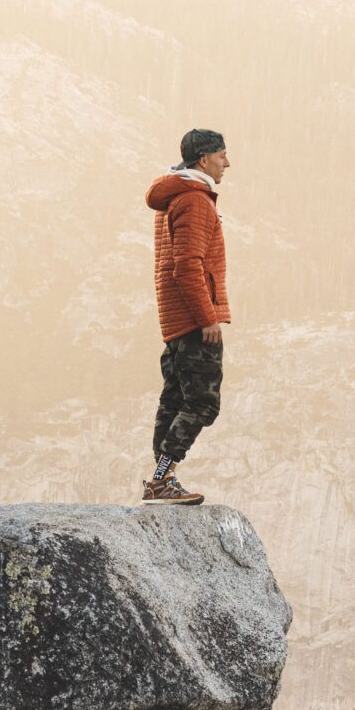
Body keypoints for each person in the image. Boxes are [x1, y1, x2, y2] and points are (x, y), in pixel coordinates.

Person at [142, 128, 230, 504]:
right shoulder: (194, 201)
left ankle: (161, 478)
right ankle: (162, 478)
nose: (227, 163)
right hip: (194, 321)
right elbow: (187, 265)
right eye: (222, 155)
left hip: (175, 320)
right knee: (202, 403)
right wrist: (207, 316)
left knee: (174, 401)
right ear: (203, 159)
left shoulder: (174, 198)